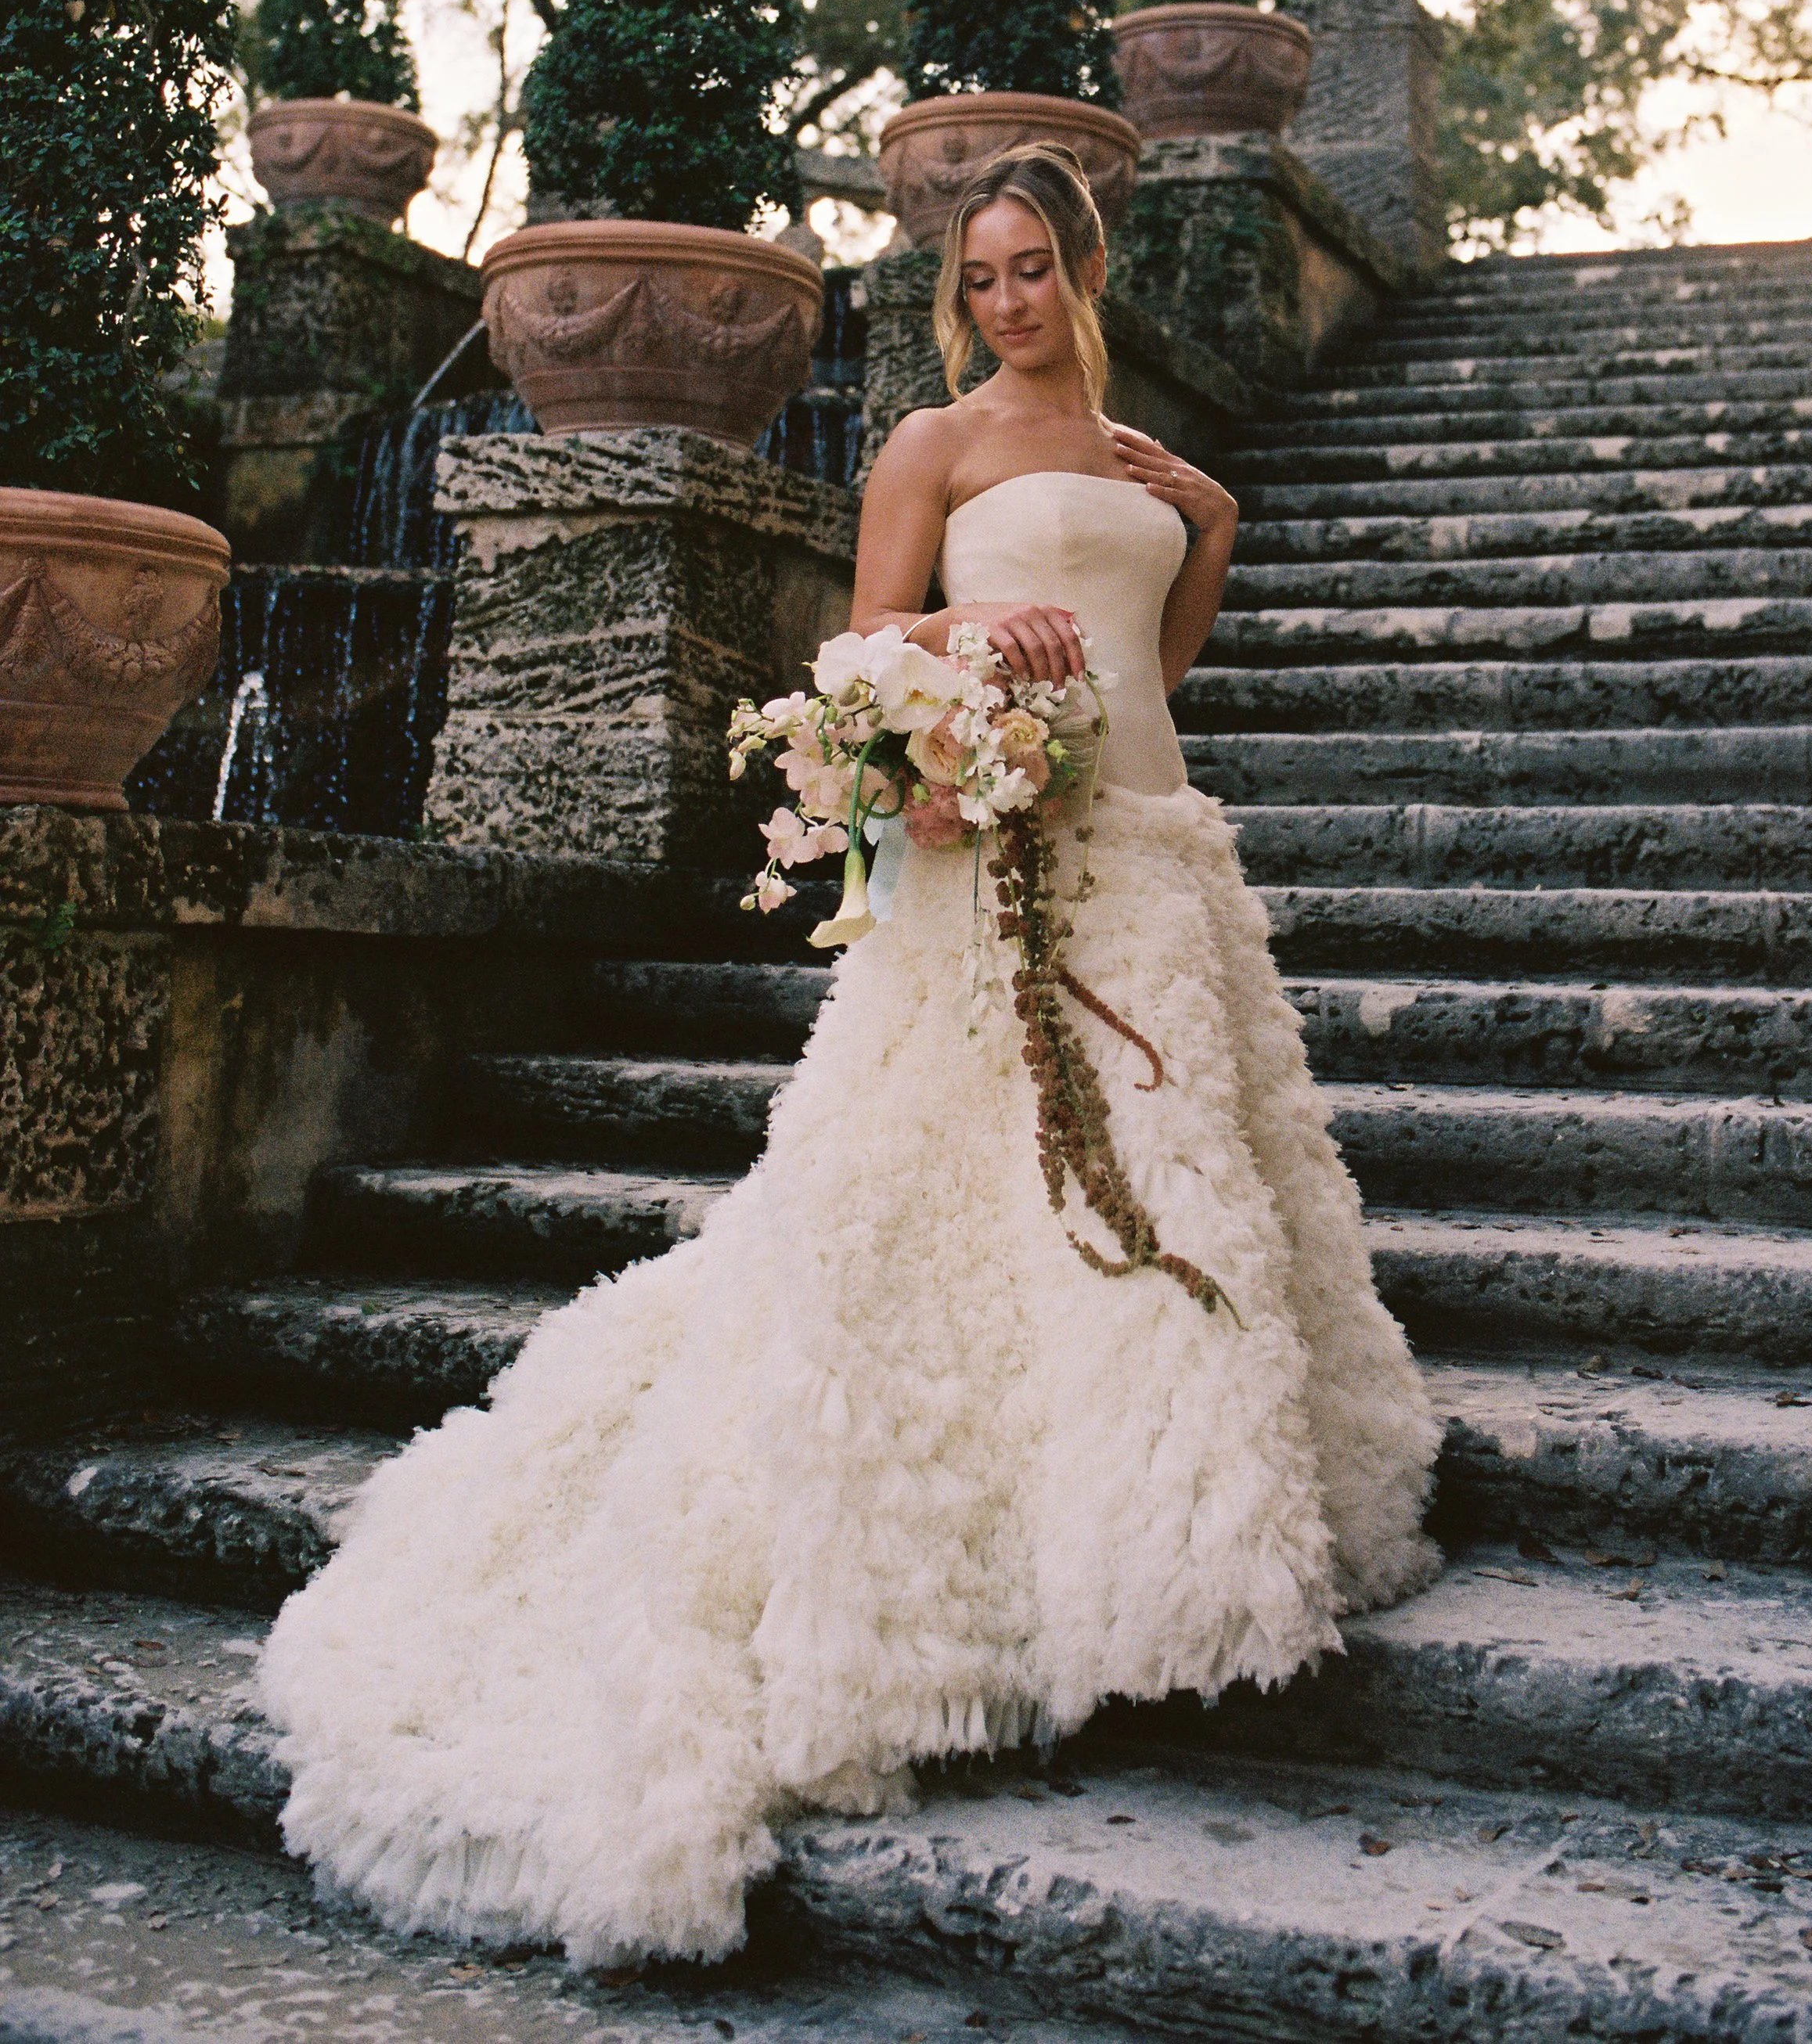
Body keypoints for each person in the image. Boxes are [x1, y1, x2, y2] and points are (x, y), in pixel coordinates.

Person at [258, 141, 1439, 1969]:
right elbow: (858, 642)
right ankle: (992, 1574)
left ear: (1088, 266)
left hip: (1152, 844)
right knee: (965, 1202)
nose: (1006, 299)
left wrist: (1208, 520)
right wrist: (969, 628)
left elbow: (1157, 664)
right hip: (1005, 858)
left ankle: (1165, 1554)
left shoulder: (1132, 453)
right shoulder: (935, 444)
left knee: (1183, 1175)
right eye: (980, 275)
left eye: (1032, 266)